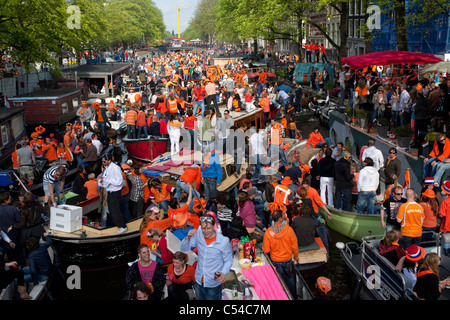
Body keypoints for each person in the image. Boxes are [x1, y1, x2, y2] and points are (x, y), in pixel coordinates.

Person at [180, 214, 233, 300]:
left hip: (213, 284)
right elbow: (184, 249)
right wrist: (188, 238)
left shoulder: (223, 241)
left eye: (208, 228)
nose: (206, 231)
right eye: (203, 228)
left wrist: (223, 272)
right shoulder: (198, 235)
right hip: (198, 281)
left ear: (214, 226)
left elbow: (228, 260)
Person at [262, 209, 299, 298]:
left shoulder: (268, 233)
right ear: (281, 219)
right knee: (290, 278)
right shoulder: (289, 230)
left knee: (279, 280)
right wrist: (296, 257)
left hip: (276, 260)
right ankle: (294, 296)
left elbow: (266, 250)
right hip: (287, 259)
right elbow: (294, 246)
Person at [97, 154, 127, 234]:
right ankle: (117, 224)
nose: (103, 163)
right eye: (102, 161)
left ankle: (123, 226)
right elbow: (106, 179)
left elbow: (119, 181)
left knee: (115, 210)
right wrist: (102, 182)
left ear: (109, 160)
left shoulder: (116, 168)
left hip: (115, 192)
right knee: (111, 209)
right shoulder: (107, 168)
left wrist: (108, 181)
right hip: (110, 191)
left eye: (104, 161)